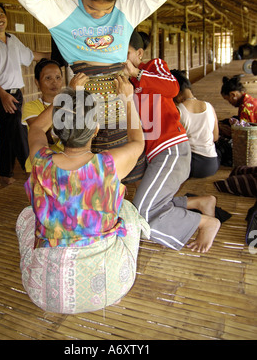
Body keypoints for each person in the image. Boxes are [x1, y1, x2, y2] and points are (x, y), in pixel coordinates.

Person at [17, 0, 169, 183]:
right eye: (90, 7)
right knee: (83, 167)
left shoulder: (126, 6)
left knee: (124, 172)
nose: (98, 14)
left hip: (119, 96)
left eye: (106, 10)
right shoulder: (64, 9)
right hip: (83, 99)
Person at [16, 76, 150, 314]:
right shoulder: (109, 165)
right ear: (95, 129)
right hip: (112, 287)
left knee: (27, 215)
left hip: (44, 294)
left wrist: (68, 96)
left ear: (57, 129)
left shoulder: (40, 161)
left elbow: (36, 127)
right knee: (127, 210)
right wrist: (128, 98)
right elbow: (138, 140)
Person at [123, 30, 221, 253]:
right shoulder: (127, 82)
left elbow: (172, 88)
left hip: (171, 150)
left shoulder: (153, 67)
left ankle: (206, 223)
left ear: (139, 53)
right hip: (157, 155)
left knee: (142, 214)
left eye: (126, 53)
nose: (122, 59)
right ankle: (200, 203)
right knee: (151, 206)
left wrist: (137, 72)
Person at [0, 2, 49, 185]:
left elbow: (30, 55)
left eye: (1, 14)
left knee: (8, 131)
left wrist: (52, 55)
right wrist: (3, 95)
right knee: (18, 128)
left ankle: (5, 174)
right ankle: (30, 169)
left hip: (15, 94)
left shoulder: (13, 39)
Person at [171, 69, 220, 178]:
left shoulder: (179, 111)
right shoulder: (209, 106)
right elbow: (215, 137)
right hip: (212, 163)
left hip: (192, 166)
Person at [22, 58, 65, 172]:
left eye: (58, 77)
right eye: (48, 78)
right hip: (40, 167)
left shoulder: (70, 104)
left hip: (65, 165)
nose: (54, 82)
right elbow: (47, 137)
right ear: (37, 82)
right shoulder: (31, 107)